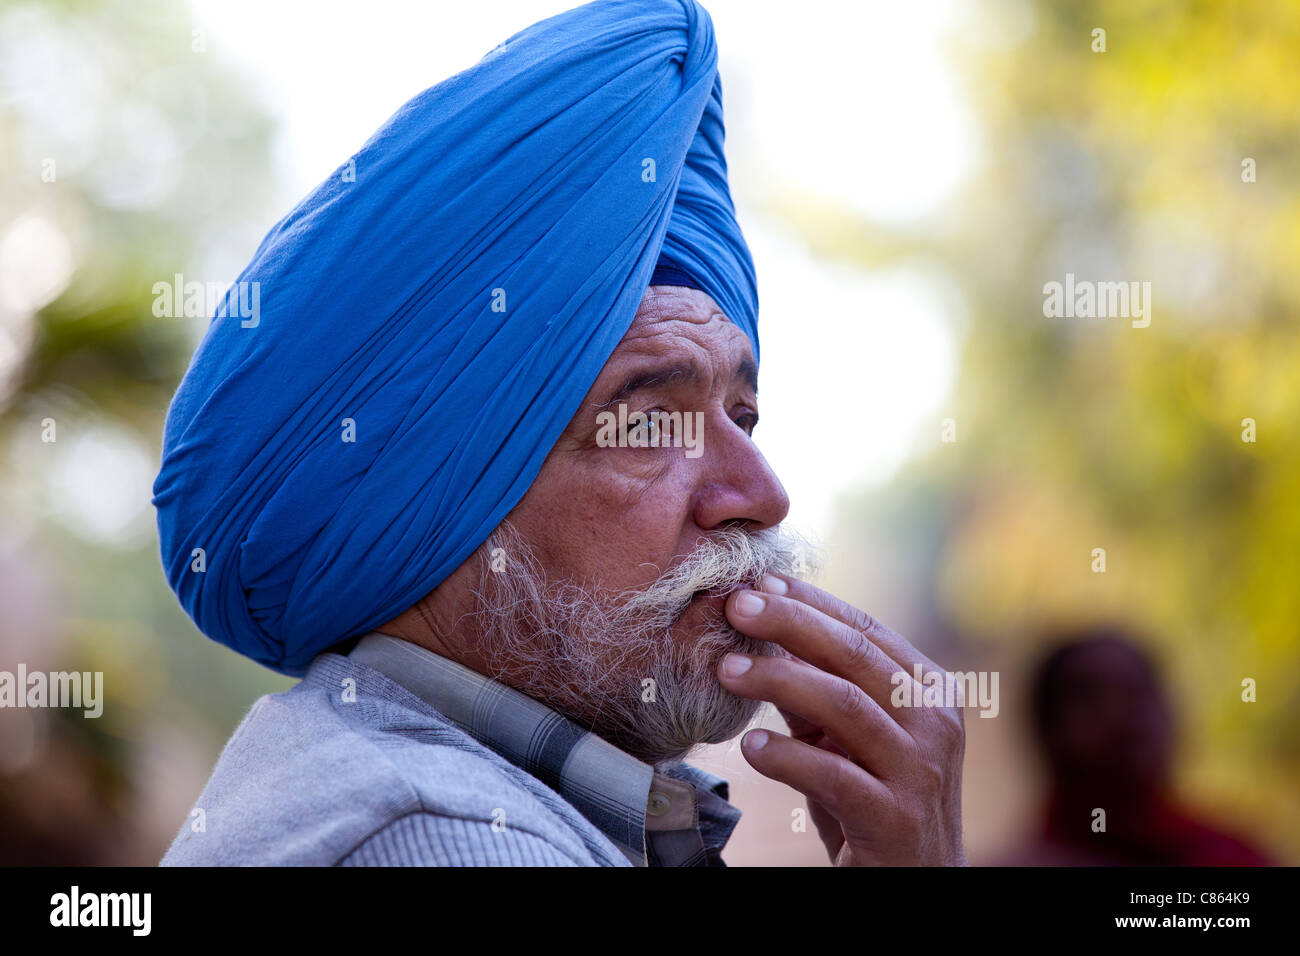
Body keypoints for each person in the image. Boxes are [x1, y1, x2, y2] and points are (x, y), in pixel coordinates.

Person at [153, 0, 965, 867]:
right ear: (446, 500)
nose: (763, 496)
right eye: (649, 422)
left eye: (743, 416)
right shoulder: (443, 836)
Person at [999, 627, 1274, 866]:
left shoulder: (1235, 857)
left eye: (1136, 692)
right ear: (1047, 728)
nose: (1121, 716)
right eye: (1090, 698)